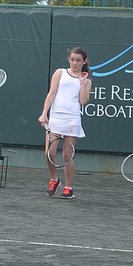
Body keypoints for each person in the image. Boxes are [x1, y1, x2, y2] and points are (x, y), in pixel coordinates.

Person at [38, 47, 91, 199]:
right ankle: (55, 180)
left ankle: (68, 187)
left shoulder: (87, 81)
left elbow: (83, 101)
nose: (75, 63)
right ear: (69, 59)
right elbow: (52, 93)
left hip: (72, 119)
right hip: (55, 118)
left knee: (67, 155)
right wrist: (44, 113)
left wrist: (82, 83)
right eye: (72, 59)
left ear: (84, 62)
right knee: (50, 153)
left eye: (78, 60)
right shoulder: (59, 73)